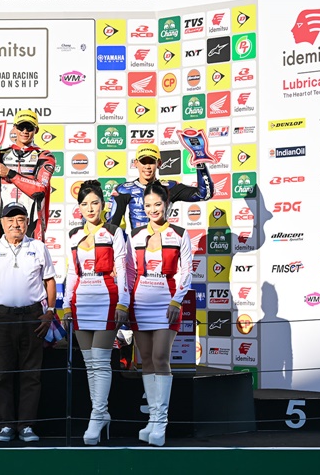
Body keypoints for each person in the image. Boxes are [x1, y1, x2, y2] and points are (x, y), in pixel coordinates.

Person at [0, 202, 57, 443]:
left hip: (33, 316)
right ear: (2, 223)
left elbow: (50, 280)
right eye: (10, 220)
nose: (15, 224)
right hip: (1, 317)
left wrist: (50, 311)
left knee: (31, 374)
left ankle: (27, 426)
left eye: (20, 219)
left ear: (27, 223)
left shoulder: (39, 247)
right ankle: (6, 425)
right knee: (3, 374)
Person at [63, 180, 135, 445]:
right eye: (85, 204)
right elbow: (72, 272)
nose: (90, 208)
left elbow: (123, 270)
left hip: (107, 299)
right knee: (89, 363)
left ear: (103, 205)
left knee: (101, 361)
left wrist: (123, 304)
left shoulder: (114, 232)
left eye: (95, 203)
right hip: (81, 300)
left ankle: (97, 415)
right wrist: (66, 304)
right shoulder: (73, 234)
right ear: (79, 208)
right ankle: (101, 414)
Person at [130, 182, 193, 447]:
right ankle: (152, 420)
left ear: (166, 205)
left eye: (157, 204)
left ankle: (161, 422)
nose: (152, 209)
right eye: (148, 205)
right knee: (145, 360)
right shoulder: (135, 235)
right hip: (140, 303)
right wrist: (125, 303)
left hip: (166, 303)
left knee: (160, 358)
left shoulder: (179, 234)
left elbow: (187, 271)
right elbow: (129, 271)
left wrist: (177, 301)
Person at [0, 110, 55, 241]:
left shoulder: (44, 155)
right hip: (2, 221)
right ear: (14, 128)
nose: (25, 131)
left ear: (36, 130)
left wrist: (9, 173)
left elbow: (40, 190)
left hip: (31, 222)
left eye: (29, 127)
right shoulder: (1, 154)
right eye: (21, 127)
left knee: (32, 255)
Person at [108, 143, 213, 232]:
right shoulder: (123, 190)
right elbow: (112, 226)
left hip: (164, 243)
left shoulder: (169, 187)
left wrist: (200, 161)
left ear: (159, 163)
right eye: (143, 162)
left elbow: (204, 194)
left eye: (151, 162)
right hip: (137, 246)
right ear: (136, 163)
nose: (147, 166)